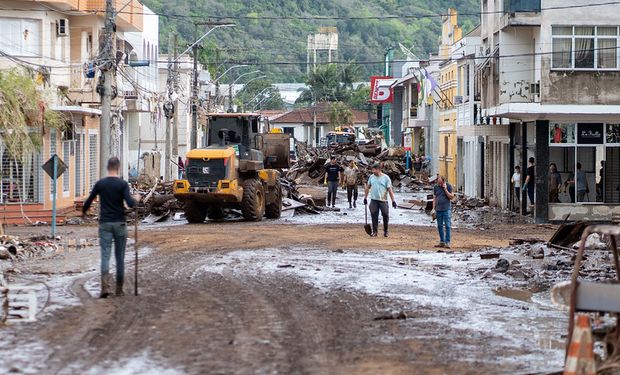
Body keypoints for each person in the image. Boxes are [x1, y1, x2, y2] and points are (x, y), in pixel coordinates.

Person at [83, 157, 137, 298]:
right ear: (118, 168)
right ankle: (119, 289)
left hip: (105, 224)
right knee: (120, 258)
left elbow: (88, 201)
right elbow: (130, 203)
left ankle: (105, 288)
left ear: (108, 167)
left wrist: (84, 212)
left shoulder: (100, 184)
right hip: (120, 224)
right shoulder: (122, 184)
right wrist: (136, 199)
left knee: (105, 256)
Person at [363, 163, 397, 237]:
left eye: (374, 170)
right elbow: (368, 187)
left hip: (383, 200)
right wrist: (365, 197)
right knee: (374, 215)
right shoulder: (371, 177)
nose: (372, 171)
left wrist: (393, 201)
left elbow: (390, 190)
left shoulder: (386, 178)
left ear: (378, 169)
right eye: (372, 170)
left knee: (385, 215)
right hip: (374, 200)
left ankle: (386, 231)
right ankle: (375, 232)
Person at [433, 175, 454, 248]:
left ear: (443, 180)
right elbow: (434, 198)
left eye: (439, 179)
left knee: (447, 226)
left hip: (446, 209)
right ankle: (442, 241)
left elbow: (451, 197)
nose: (437, 181)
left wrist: (445, 189)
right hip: (438, 209)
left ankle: (447, 242)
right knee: (440, 226)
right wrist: (433, 208)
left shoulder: (448, 186)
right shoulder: (436, 187)